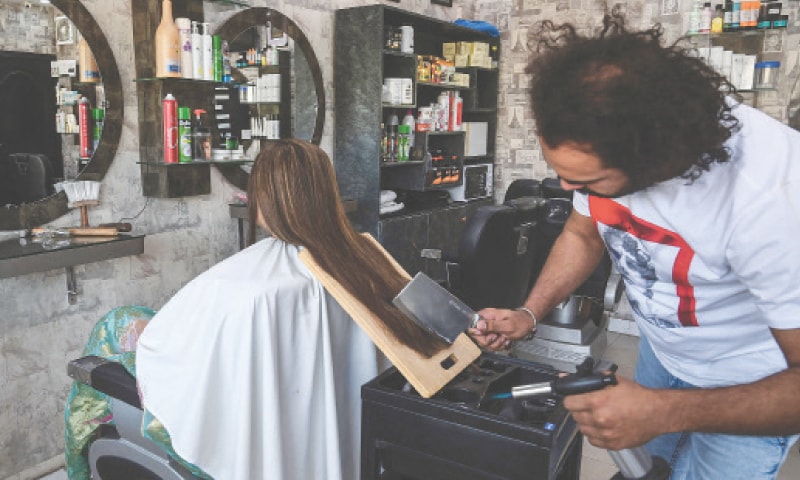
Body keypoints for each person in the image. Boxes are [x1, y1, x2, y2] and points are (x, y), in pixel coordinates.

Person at [469, 11, 800, 480]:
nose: (568, 187)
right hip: (662, 355)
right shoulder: (598, 128)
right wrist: (529, 313)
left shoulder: (773, 197)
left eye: (586, 181)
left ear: (656, 156)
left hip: (754, 382)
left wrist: (665, 411)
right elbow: (582, 232)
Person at [66, 139, 447, 480]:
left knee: (115, 323)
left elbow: (171, 354)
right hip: (347, 438)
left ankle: (78, 472)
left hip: (234, 400)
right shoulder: (362, 257)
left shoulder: (252, 290)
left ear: (270, 198)